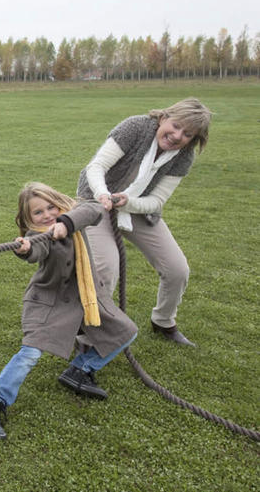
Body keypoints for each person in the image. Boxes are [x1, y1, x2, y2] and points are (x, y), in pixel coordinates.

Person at [0, 183, 138, 440]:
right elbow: (34, 249)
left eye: (51, 207)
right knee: (30, 352)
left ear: (60, 203)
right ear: (29, 220)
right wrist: (26, 248)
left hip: (88, 299)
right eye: (38, 213)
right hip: (49, 304)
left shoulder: (74, 218)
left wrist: (66, 223)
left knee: (126, 331)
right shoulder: (38, 236)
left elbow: (93, 209)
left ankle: (80, 370)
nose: (47, 215)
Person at [76, 98, 212, 347]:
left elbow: (156, 201)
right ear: (163, 118)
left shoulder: (183, 157)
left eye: (187, 134)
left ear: (193, 140)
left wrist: (126, 201)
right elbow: (96, 166)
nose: (177, 136)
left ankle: (163, 321)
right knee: (105, 267)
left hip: (135, 209)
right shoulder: (135, 127)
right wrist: (103, 194)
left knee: (177, 269)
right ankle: (89, 332)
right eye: (176, 125)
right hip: (96, 202)